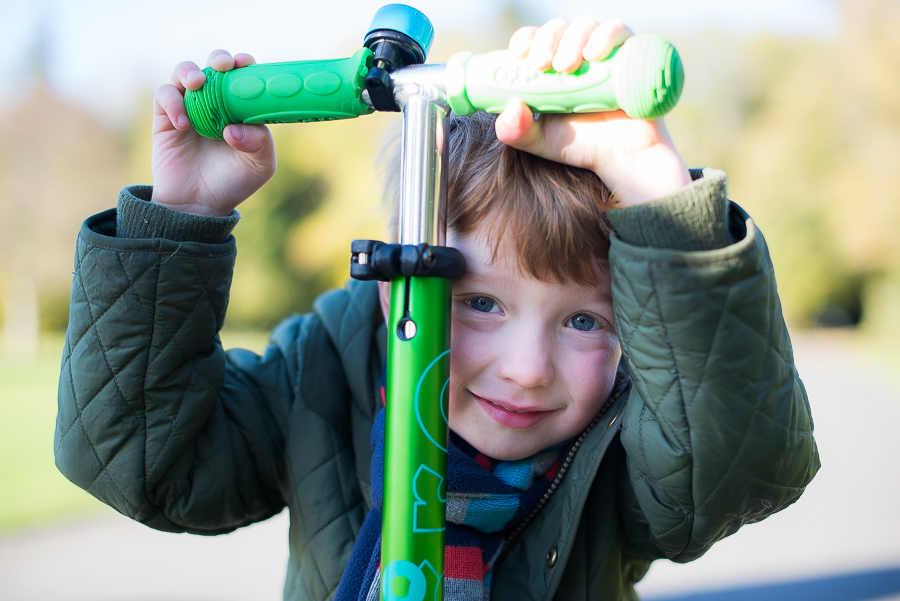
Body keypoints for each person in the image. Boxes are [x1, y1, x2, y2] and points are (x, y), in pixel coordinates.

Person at [54, 17, 819, 601]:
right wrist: (182, 220)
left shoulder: (629, 438)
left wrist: (655, 191)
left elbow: (742, 466)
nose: (526, 371)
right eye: (481, 301)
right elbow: (141, 461)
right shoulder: (323, 370)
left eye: (585, 320)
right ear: (391, 287)